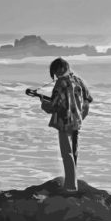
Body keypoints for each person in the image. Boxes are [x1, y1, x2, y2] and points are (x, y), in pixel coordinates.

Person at [40, 57, 93, 191]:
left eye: (56, 72)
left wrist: (43, 103)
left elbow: (53, 105)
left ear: (61, 69)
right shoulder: (79, 81)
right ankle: (73, 183)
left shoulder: (60, 83)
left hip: (65, 122)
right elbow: (88, 100)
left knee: (67, 154)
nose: (56, 76)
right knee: (74, 153)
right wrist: (81, 116)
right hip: (77, 122)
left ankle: (70, 186)